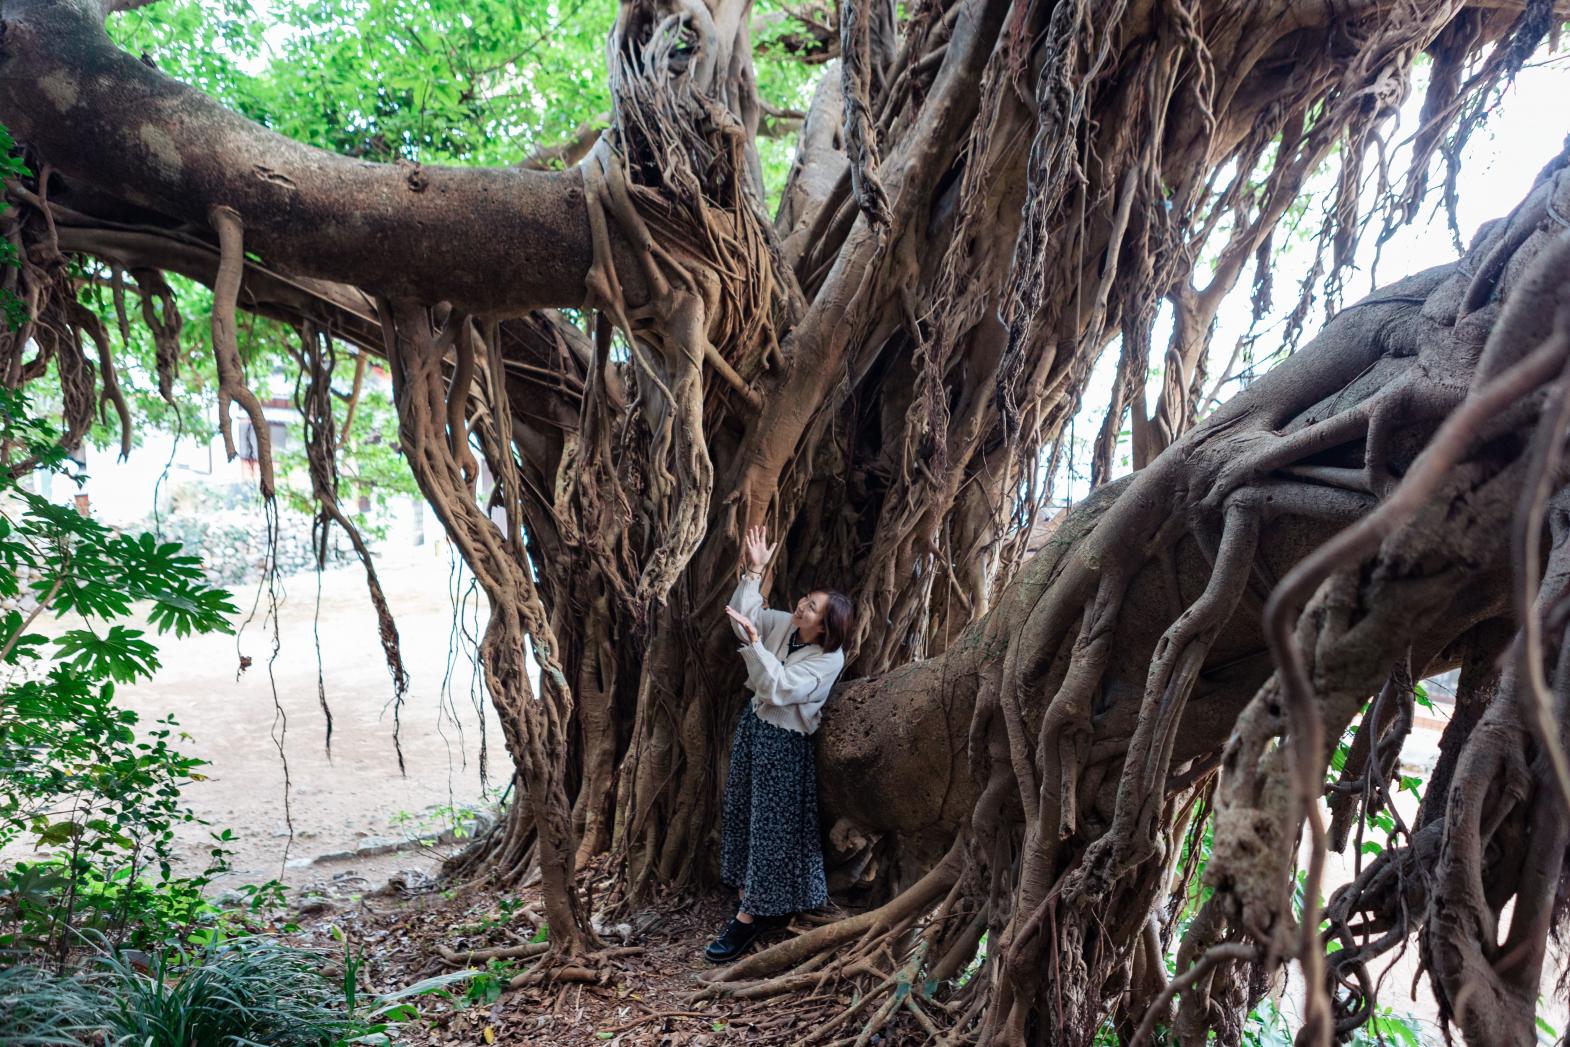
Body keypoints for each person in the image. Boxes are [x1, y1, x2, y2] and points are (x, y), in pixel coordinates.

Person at [704, 525, 853, 963]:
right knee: (744, 814)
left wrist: (754, 643)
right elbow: (745, 616)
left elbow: (781, 688)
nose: (801, 607)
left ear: (826, 627)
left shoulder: (827, 660)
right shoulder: (785, 626)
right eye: (805, 601)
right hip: (754, 730)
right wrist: (753, 572)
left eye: (810, 608)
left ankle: (750, 920)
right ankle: (750, 893)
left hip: (785, 748)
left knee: (774, 829)